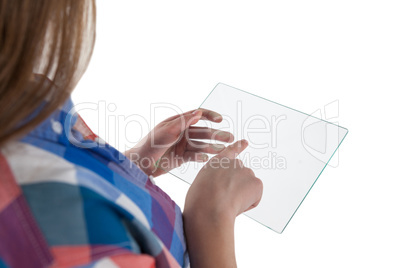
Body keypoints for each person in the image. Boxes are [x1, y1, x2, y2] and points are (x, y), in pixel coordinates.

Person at [0, 1, 263, 267]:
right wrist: (212, 215)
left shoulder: (21, 95)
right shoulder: (43, 244)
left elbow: (55, 176)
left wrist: (133, 165)